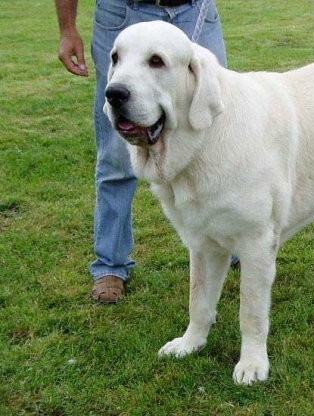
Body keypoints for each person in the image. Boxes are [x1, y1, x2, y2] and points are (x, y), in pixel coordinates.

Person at [55, 0, 232, 303]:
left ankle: (231, 240)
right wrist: (68, 28)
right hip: (124, 11)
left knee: (217, 130)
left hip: (195, 8)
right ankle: (110, 265)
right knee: (116, 154)